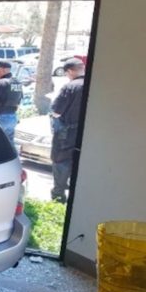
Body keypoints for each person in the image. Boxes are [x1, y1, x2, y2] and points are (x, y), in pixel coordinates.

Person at [50, 58, 85, 203]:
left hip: (67, 132)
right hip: (85, 132)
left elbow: (57, 111)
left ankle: (59, 194)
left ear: (70, 71)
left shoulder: (70, 87)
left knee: (61, 161)